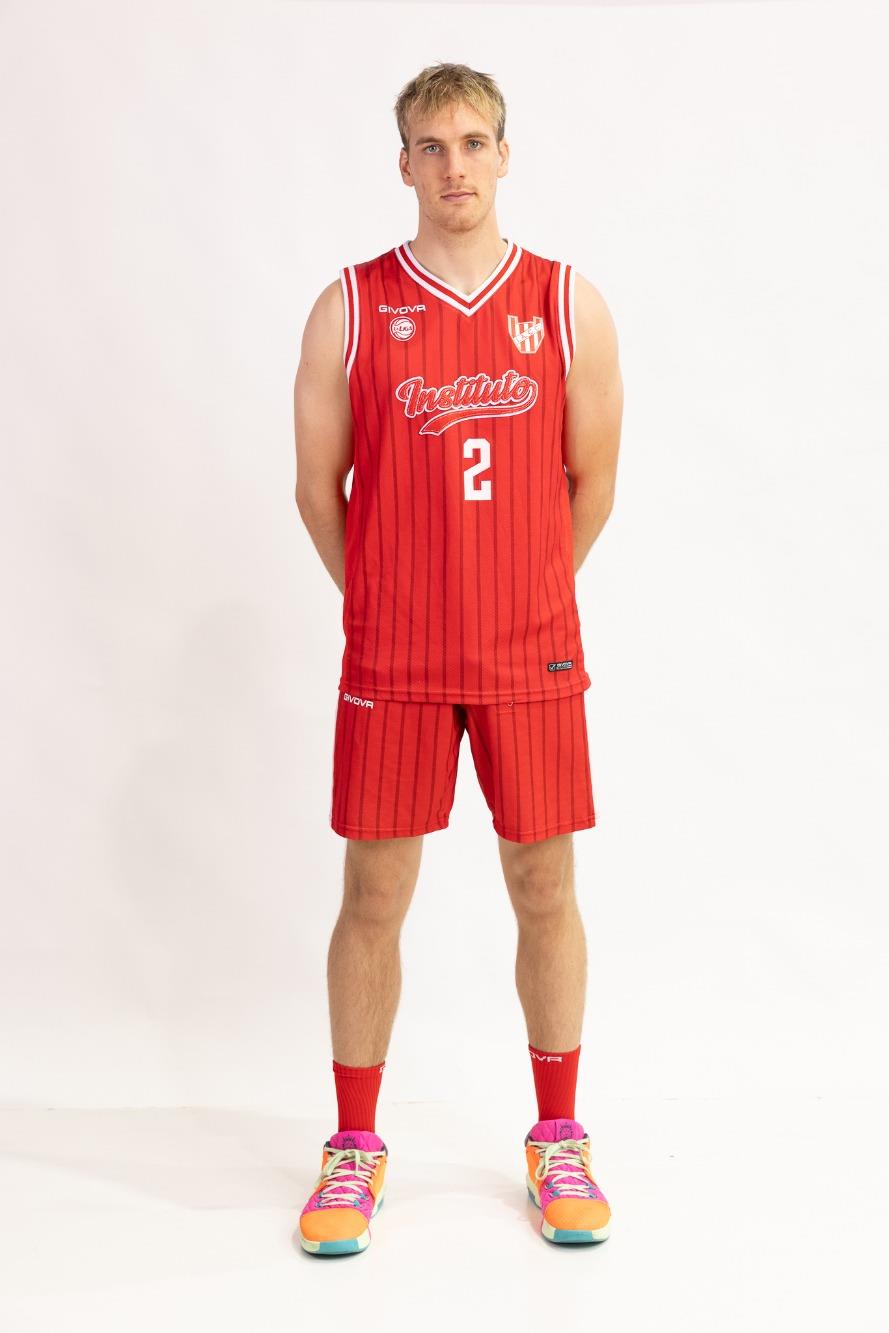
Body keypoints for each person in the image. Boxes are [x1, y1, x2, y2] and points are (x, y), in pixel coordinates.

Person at [292, 61, 623, 1255]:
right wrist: (386, 600)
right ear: (403, 165)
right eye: (431, 146)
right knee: (373, 895)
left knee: (544, 886)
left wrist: (524, 594)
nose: (454, 166)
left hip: (530, 651)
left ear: (504, 156)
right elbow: (316, 489)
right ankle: (354, 1145)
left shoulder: (566, 301)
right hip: (394, 655)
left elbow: (592, 481)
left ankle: (557, 1133)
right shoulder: (350, 304)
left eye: (474, 142)